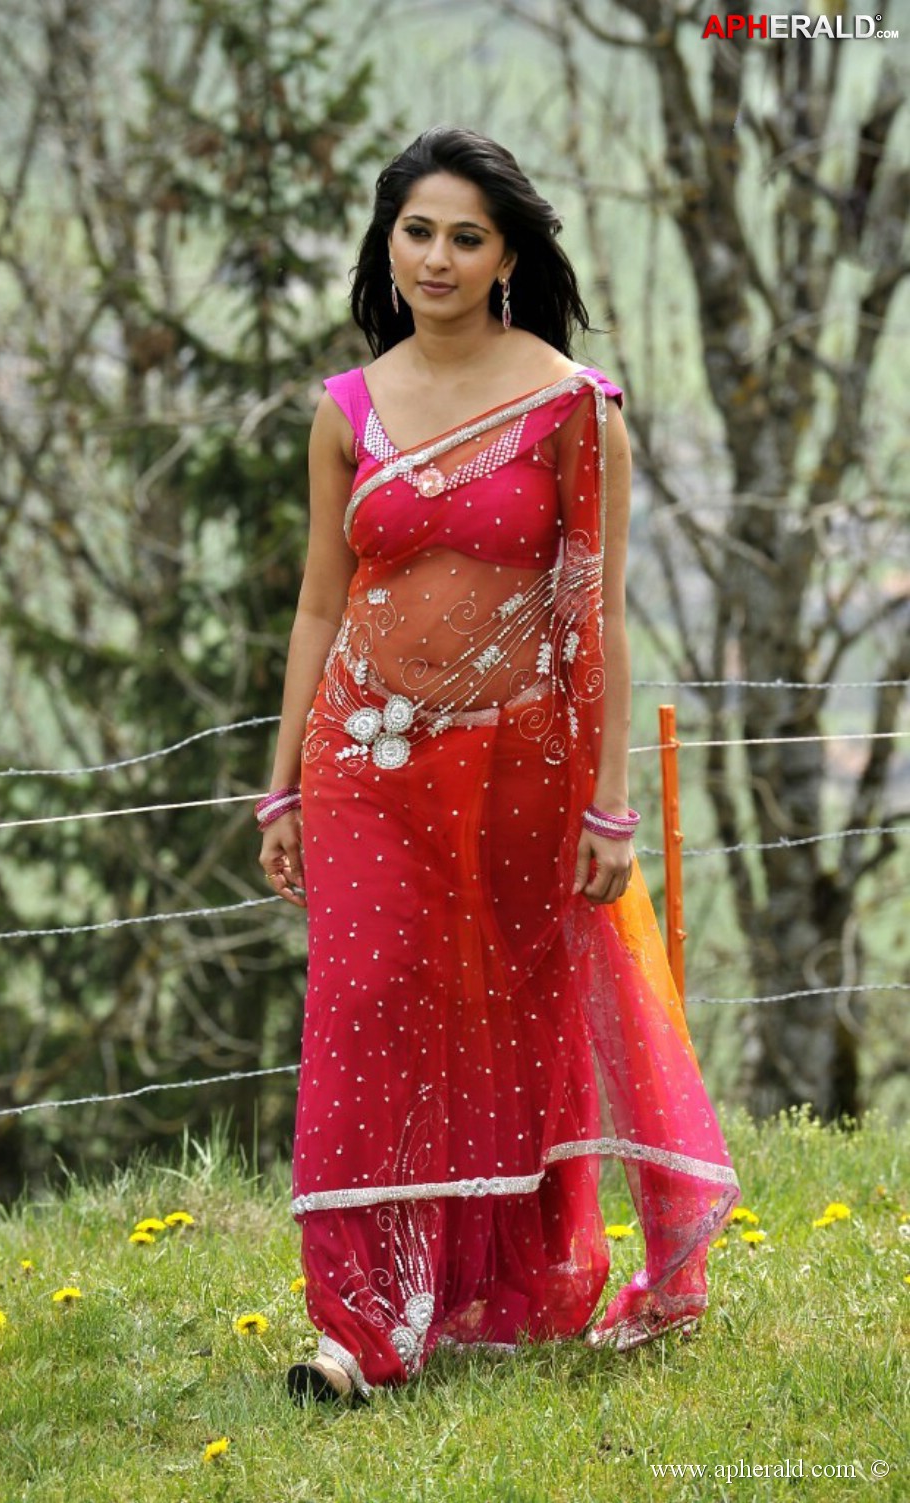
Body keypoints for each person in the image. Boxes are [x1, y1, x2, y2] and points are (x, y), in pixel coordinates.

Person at [255, 126, 740, 1407]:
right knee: (366, 1015)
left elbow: (596, 616)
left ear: (509, 255)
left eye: (467, 235)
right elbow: (317, 605)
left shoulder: (571, 409)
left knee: (506, 1023)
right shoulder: (344, 410)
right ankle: (356, 1329)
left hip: (520, 769)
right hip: (362, 758)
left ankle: (491, 1292)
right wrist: (284, 782)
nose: (438, 256)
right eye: (418, 229)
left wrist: (611, 805)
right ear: (388, 241)